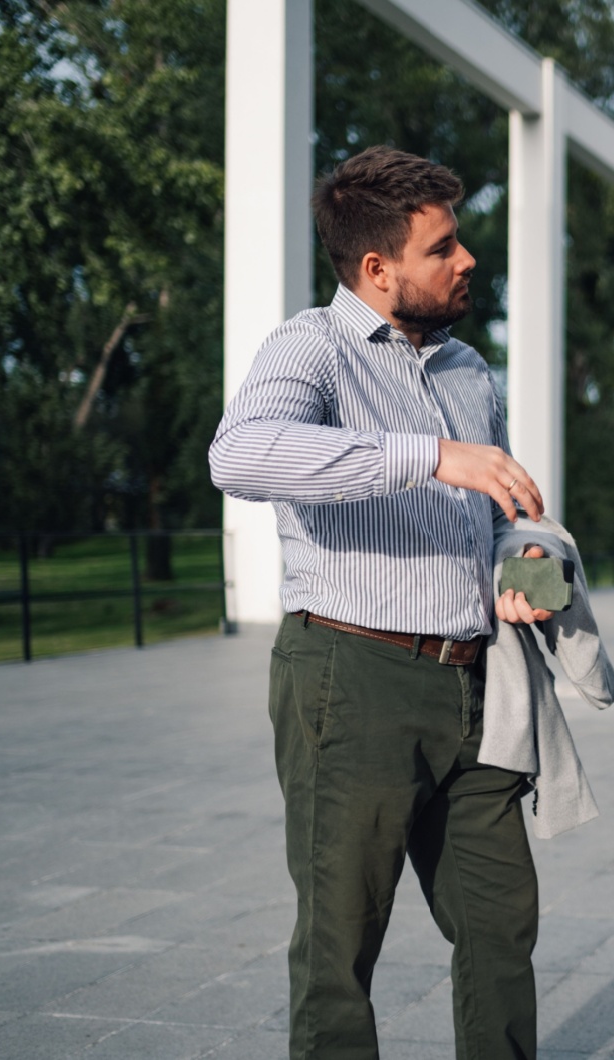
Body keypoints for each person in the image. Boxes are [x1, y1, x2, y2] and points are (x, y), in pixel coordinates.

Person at [209, 145, 554, 1060]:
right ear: (378, 267)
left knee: (500, 922)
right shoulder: (308, 347)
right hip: (349, 681)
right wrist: (426, 454)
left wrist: (522, 571)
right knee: (340, 945)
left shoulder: (470, 370)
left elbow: (502, 514)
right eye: (443, 246)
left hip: (475, 686)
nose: (466, 259)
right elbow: (238, 456)